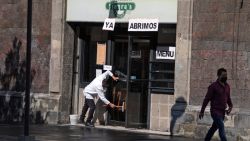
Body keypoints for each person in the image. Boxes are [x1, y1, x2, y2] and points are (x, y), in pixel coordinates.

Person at [199, 68, 233, 141]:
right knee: (221, 127)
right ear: (218, 76)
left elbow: (228, 99)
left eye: (226, 75)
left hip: (222, 112)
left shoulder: (227, 86)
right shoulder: (213, 86)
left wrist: (230, 107)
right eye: (223, 75)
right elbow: (206, 99)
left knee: (213, 128)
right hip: (215, 112)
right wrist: (202, 111)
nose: (225, 77)